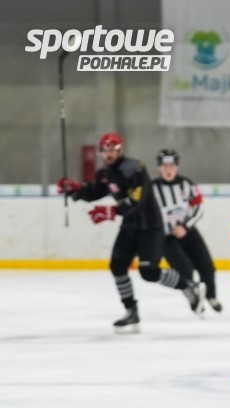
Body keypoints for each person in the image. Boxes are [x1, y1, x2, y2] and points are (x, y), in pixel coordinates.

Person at [57, 132, 205, 332]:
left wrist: (111, 211)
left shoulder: (135, 168)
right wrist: (74, 190)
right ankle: (131, 312)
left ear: (121, 150)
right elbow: (94, 192)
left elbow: (137, 201)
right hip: (129, 227)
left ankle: (188, 286)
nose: (109, 154)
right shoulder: (105, 173)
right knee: (117, 266)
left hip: (150, 227)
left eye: (113, 150)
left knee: (149, 272)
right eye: (105, 151)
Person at [151, 148, 222, 313]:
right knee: (184, 269)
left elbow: (199, 208)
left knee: (207, 266)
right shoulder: (152, 188)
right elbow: (147, 214)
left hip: (188, 232)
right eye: (164, 166)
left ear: (177, 167)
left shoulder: (187, 184)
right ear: (159, 167)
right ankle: (194, 298)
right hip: (166, 237)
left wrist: (186, 226)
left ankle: (211, 296)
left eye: (171, 166)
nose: (168, 169)